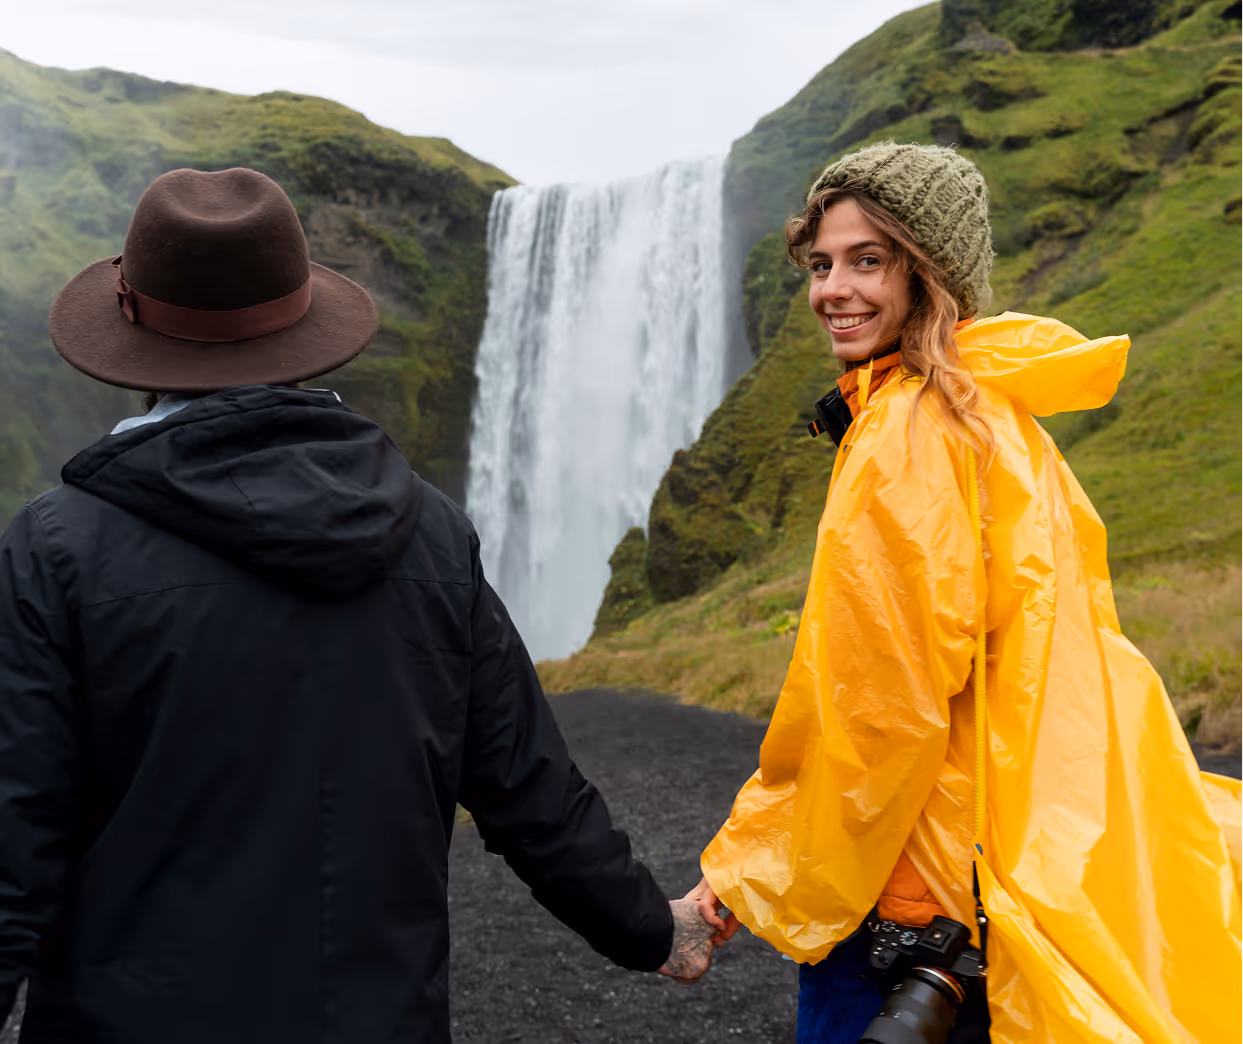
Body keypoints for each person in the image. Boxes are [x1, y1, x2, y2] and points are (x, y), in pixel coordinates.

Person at [0, 166, 717, 1042]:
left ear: (132, 332)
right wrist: (652, 930)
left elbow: (13, 835)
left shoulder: (54, 547)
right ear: (304, 324)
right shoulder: (435, 537)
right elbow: (532, 792)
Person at [686, 142, 1241, 1043]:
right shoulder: (995, 414)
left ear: (930, 272)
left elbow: (874, 709)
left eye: (869, 261)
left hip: (910, 896)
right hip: (1013, 872)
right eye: (822, 264)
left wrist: (749, 865)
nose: (833, 290)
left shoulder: (903, 432)